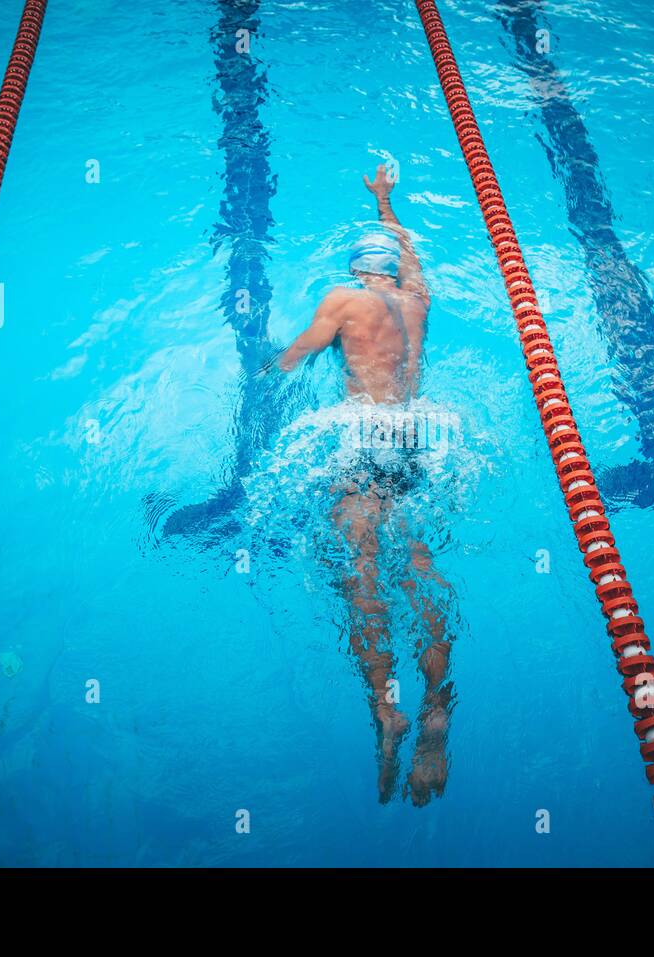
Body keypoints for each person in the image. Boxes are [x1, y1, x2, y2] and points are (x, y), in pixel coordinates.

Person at [277, 165, 454, 805]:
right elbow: (411, 254)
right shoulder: (418, 301)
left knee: (362, 571)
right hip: (415, 437)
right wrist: (386, 202)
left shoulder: (343, 300)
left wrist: (268, 366)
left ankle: (387, 708)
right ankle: (437, 706)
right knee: (420, 566)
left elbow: (296, 355)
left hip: (366, 439)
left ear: (356, 270)